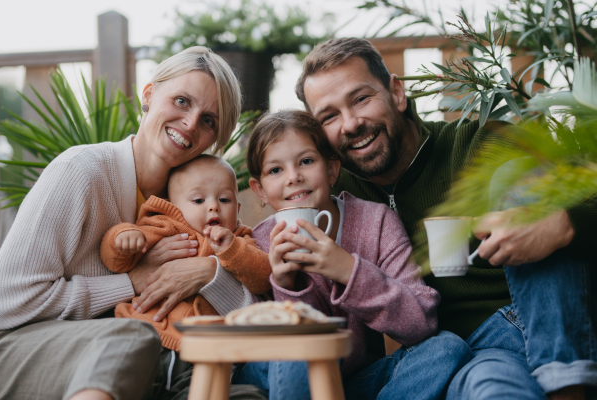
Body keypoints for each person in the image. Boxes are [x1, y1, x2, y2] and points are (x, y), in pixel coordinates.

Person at [291, 37, 597, 400]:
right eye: (329, 115)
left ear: (397, 93)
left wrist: (562, 222)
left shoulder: (483, 143)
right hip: (449, 361)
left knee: (523, 177)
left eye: (361, 99)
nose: (351, 123)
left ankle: (568, 386)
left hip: (521, 327)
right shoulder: (333, 193)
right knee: (491, 388)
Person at [0, 46, 265, 400]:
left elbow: (256, 317)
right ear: (150, 95)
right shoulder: (81, 171)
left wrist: (209, 273)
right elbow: (7, 304)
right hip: (21, 351)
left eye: (208, 120)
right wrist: (130, 282)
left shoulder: (199, 205)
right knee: (129, 337)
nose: (190, 123)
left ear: (215, 140)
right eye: (182, 101)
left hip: (144, 363)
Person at [231, 110, 471, 400]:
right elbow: (262, 347)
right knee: (292, 348)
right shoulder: (257, 243)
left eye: (306, 161)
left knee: (447, 347)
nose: (293, 177)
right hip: (285, 379)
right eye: (275, 170)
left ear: (332, 170)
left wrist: (348, 271)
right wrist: (287, 286)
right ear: (260, 190)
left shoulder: (375, 222)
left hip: (359, 380)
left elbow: (421, 323)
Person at [101, 154, 271, 352]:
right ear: (174, 206)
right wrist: (122, 237)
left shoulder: (240, 240)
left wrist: (231, 250)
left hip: (203, 346)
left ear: (237, 208)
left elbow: (263, 279)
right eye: (199, 200)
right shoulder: (165, 226)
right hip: (144, 328)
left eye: (225, 199)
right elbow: (116, 263)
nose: (214, 206)